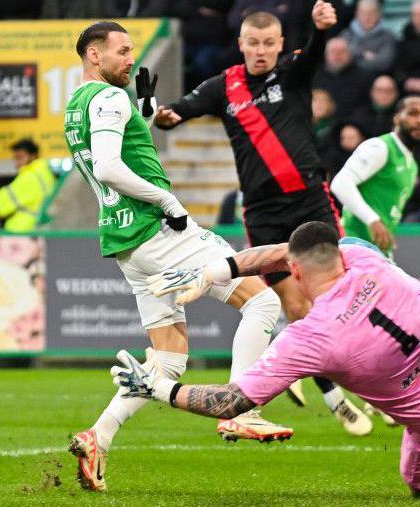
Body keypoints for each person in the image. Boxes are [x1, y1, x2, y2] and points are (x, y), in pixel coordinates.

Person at [119, 221, 420, 499]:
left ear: (293, 271)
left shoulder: (310, 338)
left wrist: (156, 388)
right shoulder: (361, 254)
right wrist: (218, 269)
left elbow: (231, 402)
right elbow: (290, 251)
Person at [63, 21, 291, 492]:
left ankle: (98, 437)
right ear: (92, 55)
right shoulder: (108, 98)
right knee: (263, 302)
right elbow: (108, 166)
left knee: (167, 361)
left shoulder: (77, 105)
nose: (131, 58)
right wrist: (168, 202)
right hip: (158, 232)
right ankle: (244, 411)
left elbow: (120, 149)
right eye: (122, 51)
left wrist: (143, 113)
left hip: (125, 243)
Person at [153, 7, 370, 436]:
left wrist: (321, 30)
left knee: (340, 291)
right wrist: (167, 115)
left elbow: (313, 54)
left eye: (269, 43)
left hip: (310, 199)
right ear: (241, 44)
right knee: (292, 305)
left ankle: (361, 374)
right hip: (264, 211)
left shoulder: (292, 72)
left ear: (280, 45)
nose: (261, 51)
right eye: (253, 43)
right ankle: (335, 398)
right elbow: (183, 108)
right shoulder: (225, 86)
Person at [330, 96, 420, 253]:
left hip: (377, 250)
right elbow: (340, 183)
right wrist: (373, 220)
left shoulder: (412, 165)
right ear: (397, 118)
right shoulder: (380, 147)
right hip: (354, 244)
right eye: (413, 113)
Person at [0, 139, 56, 232]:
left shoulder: (29, 177)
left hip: (22, 232)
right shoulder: (45, 173)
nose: (17, 163)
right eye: (15, 158)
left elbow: (0, 207)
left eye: (20, 157)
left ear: (33, 156)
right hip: (38, 229)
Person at [313, 37, 374, 118]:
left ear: (350, 54)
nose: (337, 55)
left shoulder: (364, 76)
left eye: (342, 51)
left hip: (352, 125)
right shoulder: (315, 76)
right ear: (326, 55)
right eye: (333, 51)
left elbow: (367, 106)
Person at [339, 0, 397, 74]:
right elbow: (339, 60)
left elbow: (385, 63)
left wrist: (353, 57)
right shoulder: (345, 35)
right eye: (363, 13)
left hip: (376, 79)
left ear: (379, 14)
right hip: (349, 80)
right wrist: (363, 54)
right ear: (356, 14)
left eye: (371, 13)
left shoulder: (388, 37)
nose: (367, 17)